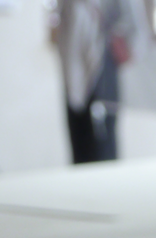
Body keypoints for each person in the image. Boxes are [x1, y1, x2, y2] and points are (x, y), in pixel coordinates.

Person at [54, 0, 146, 164]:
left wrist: (117, 41)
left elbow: (134, 28)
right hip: (73, 68)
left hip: (104, 65)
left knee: (103, 145)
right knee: (79, 142)